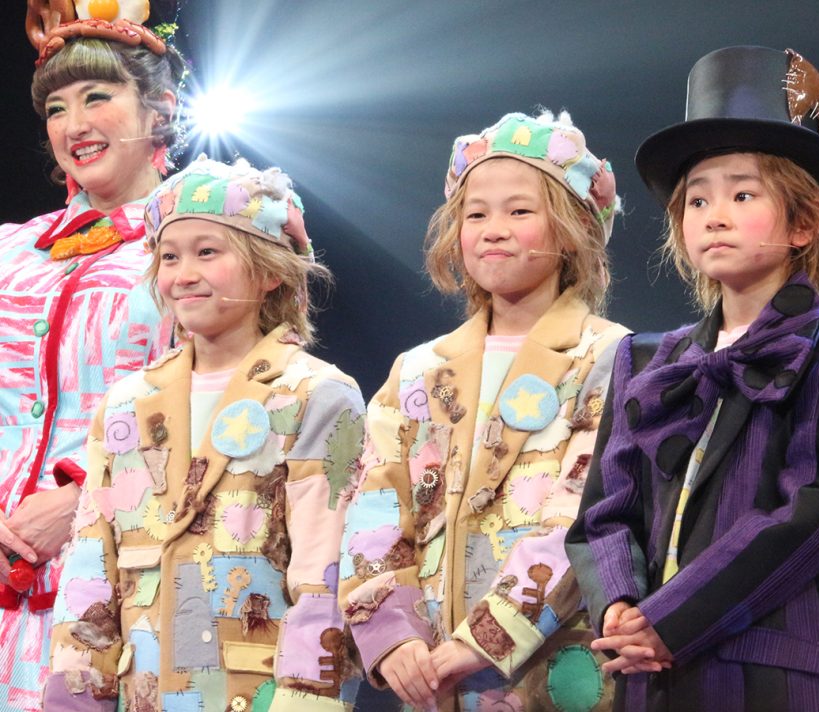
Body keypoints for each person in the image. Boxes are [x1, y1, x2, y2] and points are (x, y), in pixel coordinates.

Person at [565, 46, 819, 711]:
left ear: (804, 223)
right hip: (652, 680)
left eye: (742, 194)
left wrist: (672, 621)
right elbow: (604, 512)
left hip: (779, 676)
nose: (714, 215)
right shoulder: (648, 359)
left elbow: (812, 508)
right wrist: (620, 606)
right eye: (697, 199)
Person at [42, 157, 366, 711]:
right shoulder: (126, 405)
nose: (183, 274)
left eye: (208, 252)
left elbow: (324, 581)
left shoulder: (315, 395)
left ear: (270, 271)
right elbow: (90, 570)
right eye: (169, 257)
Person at [338, 111, 627, 710]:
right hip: (432, 677)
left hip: (553, 674)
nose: (494, 229)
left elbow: (585, 512)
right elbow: (374, 507)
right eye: (476, 214)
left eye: (519, 211)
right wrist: (393, 637)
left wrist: (486, 638)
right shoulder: (416, 372)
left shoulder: (608, 356)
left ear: (574, 227)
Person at [0, 8, 183, 709]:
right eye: (56, 108)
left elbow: (232, 410)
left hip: (122, 579)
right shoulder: (12, 251)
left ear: (160, 109)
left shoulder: (200, 246)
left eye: (96, 98)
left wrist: (84, 500)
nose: (73, 124)